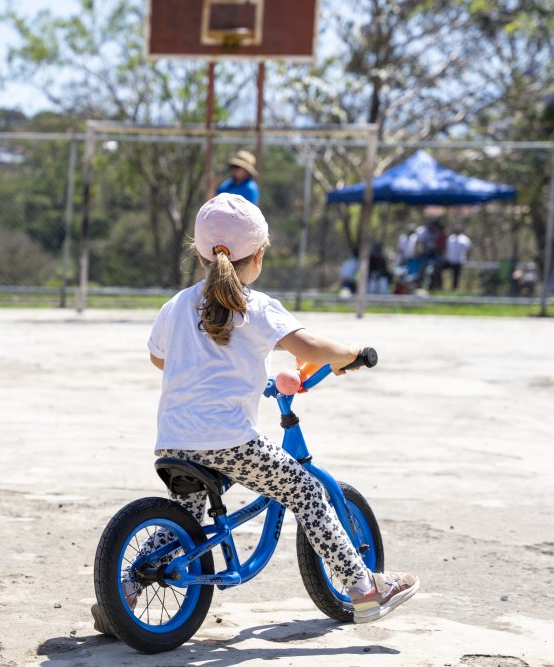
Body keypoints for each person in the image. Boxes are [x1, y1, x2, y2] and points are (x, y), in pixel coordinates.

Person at [137, 193, 419, 625]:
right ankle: (364, 589)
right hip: (230, 442)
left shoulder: (175, 306)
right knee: (306, 491)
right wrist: (350, 353)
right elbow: (309, 347)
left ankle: (126, 589)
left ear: (198, 253)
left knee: (186, 518)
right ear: (259, 256)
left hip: (173, 441)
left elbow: (160, 359)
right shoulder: (257, 306)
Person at [443, 226, 472, 290]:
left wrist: (467, 259)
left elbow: (469, 250)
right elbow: (446, 248)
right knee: (439, 269)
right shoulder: (450, 238)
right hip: (449, 260)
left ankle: (454, 288)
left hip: (459, 261)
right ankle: (439, 286)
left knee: (456, 276)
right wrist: (445, 257)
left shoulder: (465, 239)